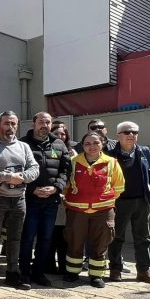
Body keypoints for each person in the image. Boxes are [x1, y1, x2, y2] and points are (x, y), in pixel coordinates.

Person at [0, 111, 39, 291]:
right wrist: (8, 177)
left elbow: (35, 168)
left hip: (19, 199)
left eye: (13, 124)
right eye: (6, 123)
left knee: (15, 238)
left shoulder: (24, 146)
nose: (10, 127)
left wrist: (22, 177)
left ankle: (12, 273)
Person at [106, 121, 150, 285]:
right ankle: (115, 268)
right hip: (118, 202)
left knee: (143, 238)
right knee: (116, 237)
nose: (131, 135)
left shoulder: (144, 151)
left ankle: (144, 270)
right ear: (118, 135)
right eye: (127, 132)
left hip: (141, 201)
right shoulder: (110, 154)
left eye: (134, 132)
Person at [63, 131, 125, 288]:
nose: (92, 147)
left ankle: (96, 276)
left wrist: (102, 200)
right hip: (77, 211)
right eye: (87, 144)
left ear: (102, 144)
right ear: (82, 146)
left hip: (103, 211)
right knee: (74, 242)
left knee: (101, 244)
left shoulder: (111, 162)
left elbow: (119, 187)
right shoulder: (73, 162)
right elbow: (66, 186)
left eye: (95, 143)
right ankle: (72, 272)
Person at [18, 112, 69, 286]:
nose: (44, 125)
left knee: (46, 238)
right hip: (30, 200)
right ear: (33, 123)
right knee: (27, 237)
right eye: (41, 122)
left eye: (48, 122)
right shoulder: (23, 144)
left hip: (51, 201)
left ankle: (38, 272)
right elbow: (18, 171)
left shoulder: (59, 144)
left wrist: (56, 188)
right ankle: (24, 273)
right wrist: (33, 189)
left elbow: (65, 171)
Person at [48, 122, 77, 274]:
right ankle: (49, 265)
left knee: (65, 236)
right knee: (50, 234)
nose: (60, 136)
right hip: (52, 196)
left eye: (63, 134)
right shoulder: (48, 148)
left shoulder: (73, 154)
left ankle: (64, 266)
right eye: (56, 133)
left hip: (67, 199)